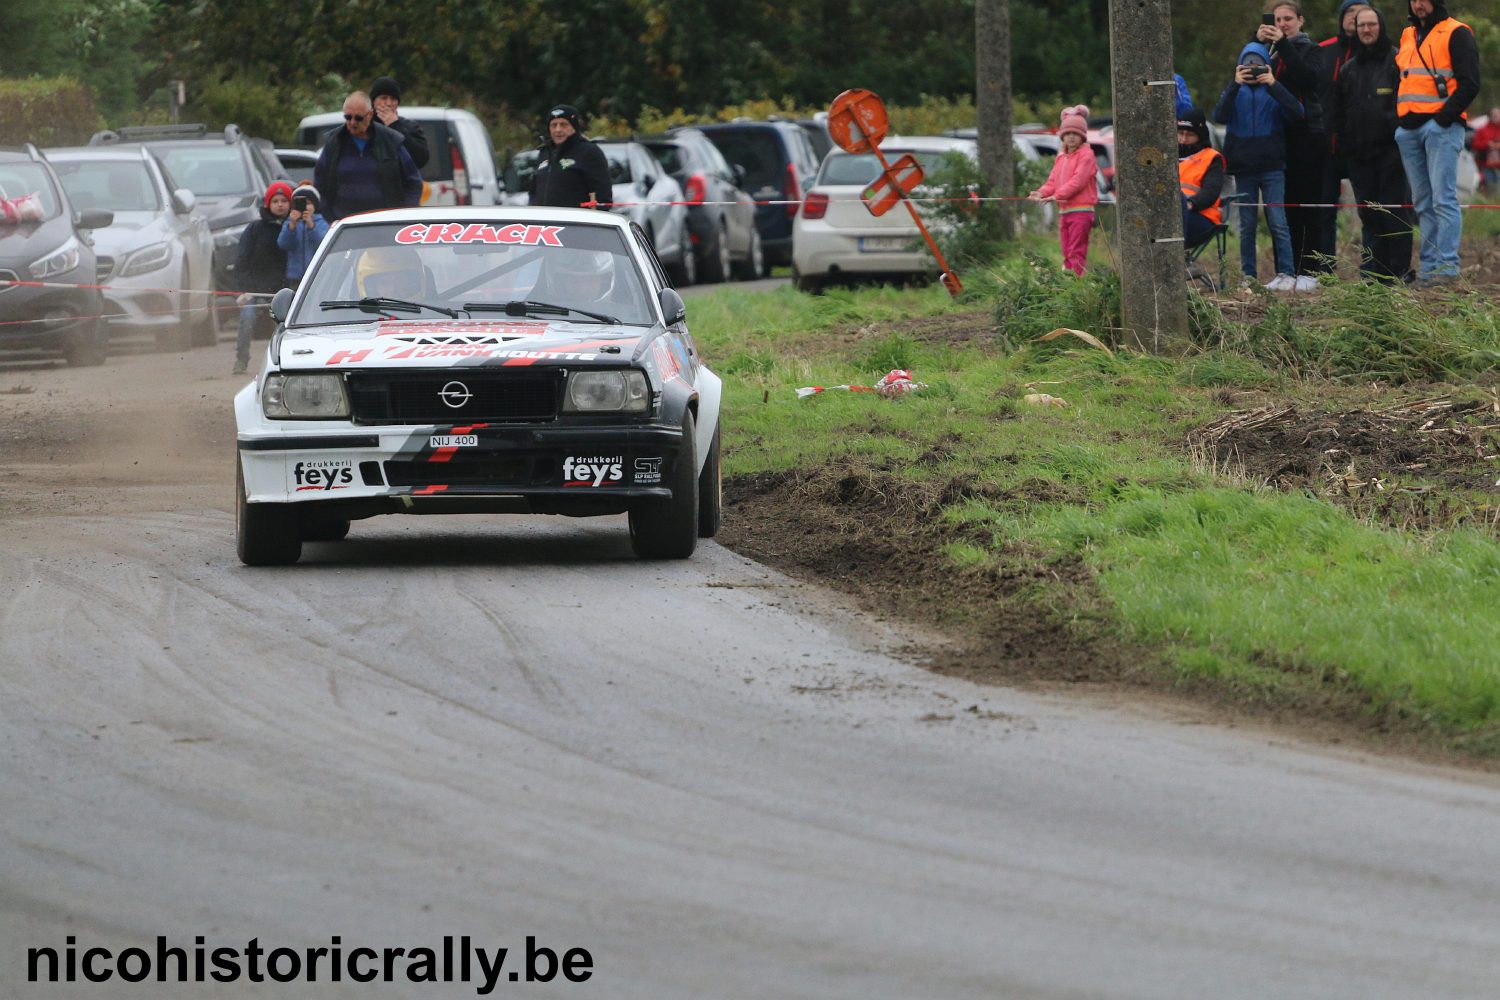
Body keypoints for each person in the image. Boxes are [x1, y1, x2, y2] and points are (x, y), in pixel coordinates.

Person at [1394, 0, 1480, 287]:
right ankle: (1429, 270)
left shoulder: (1457, 32)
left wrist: (1443, 118)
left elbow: (1470, 82)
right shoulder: (1408, 34)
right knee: (1422, 203)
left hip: (1440, 128)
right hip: (1408, 130)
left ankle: (1447, 268)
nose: (1419, 4)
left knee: (1443, 199)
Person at [1327, 6, 1414, 283]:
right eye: (1361, 25)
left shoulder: (1397, 61)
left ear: (1381, 26)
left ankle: (1399, 272)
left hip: (1391, 153)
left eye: (1371, 25)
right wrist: (1343, 146)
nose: (1366, 30)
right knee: (1369, 216)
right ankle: (1374, 271)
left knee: (1394, 214)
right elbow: (1337, 113)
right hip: (1358, 157)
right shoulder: (1349, 69)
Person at [1213, 41, 1304, 290]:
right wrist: (1235, 84)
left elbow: (1297, 112)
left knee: (1278, 221)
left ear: (1267, 65)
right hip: (1244, 169)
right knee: (1247, 225)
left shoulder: (1274, 91)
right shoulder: (1235, 92)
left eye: (1257, 64)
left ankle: (1286, 272)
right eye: (1247, 63)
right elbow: (1219, 116)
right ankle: (1248, 275)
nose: (1252, 68)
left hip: (1272, 166)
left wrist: (1273, 83)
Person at [1259, 1, 1329, 289]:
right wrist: (1258, 44)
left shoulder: (1312, 50)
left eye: (1288, 18)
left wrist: (1283, 46)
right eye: (1277, 19)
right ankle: (1285, 270)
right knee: (1281, 207)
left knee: (1307, 204)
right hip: (1277, 135)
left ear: (1300, 20)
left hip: (1308, 134)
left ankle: (1310, 270)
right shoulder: (1268, 52)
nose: (1283, 24)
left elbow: (1307, 78)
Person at [313, 91, 423, 222]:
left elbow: (414, 182)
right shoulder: (334, 143)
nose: (352, 122)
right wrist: (330, 218)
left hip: (385, 223)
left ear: (370, 115)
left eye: (358, 118)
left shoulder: (391, 141)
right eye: (348, 117)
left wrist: (404, 216)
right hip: (346, 226)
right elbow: (319, 184)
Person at [1317, 1, 1371, 271]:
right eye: (1350, 12)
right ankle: (1325, 269)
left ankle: (1373, 267)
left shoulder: (1378, 53)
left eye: (1361, 13)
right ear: (1342, 18)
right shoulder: (1323, 50)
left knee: (1370, 209)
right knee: (1324, 210)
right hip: (1327, 144)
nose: (1354, 18)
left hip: (1363, 147)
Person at [1027, 105, 1099, 275]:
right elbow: (1053, 181)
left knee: (1076, 251)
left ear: (1082, 136)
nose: (1071, 137)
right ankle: (1067, 283)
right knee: (1066, 252)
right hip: (1064, 211)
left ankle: (1076, 284)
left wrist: (1056, 196)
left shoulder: (1086, 155)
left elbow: (1078, 182)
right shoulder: (1062, 157)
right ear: (1062, 136)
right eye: (1067, 133)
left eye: (1075, 133)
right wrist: (1041, 192)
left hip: (1081, 211)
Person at [231, 181, 291, 374]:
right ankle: (241, 360)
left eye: (284, 200)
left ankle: (283, 363)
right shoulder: (255, 229)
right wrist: (244, 290)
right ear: (268, 203)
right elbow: (241, 260)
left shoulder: (294, 228)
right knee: (247, 319)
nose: (280, 204)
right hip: (253, 289)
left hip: (282, 290)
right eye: (275, 201)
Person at [529, 104, 612, 210]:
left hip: (576, 223)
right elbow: (533, 191)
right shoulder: (544, 152)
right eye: (553, 125)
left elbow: (602, 197)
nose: (558, 130)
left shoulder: (589, 152)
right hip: (545, 222)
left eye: (563, 124)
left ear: (574, 127)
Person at [1177, 109, 1226, 256]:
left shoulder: (1212, 158)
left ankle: (1178, 259)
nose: (1184, 139)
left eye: (1190, 134)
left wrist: (1191, 204)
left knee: (1178, 210)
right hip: (1172, 213)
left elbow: (1211, 192)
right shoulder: (1167, 154)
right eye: (1180, 133)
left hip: (1201, 216)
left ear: (1200, 135)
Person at [370, 76, 429, 170]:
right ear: (373, 101)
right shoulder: (362, 126)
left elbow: (420, 160)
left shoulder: (410, 127)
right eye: (383, 98)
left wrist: (395, 126)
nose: (389, 103)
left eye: (393, 98)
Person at [277, 183, 329, 287]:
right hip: (295, 276)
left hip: (316, 274)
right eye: (300, 204)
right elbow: (283, 244)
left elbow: (322, 243)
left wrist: (311, 225)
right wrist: (292, 226)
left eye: (309, 203)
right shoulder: (289, 222)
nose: (305, 207)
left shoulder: (321, 222)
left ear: (315, 206)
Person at [1471, 107, 1500, 192]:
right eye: (1494, 115)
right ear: (1490, 116)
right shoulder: (1482, 130)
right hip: (1487, 165)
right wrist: (1487, 144)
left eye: (1498, 114)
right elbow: (1475, 145)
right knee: (1490, 190)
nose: (1496, 116)